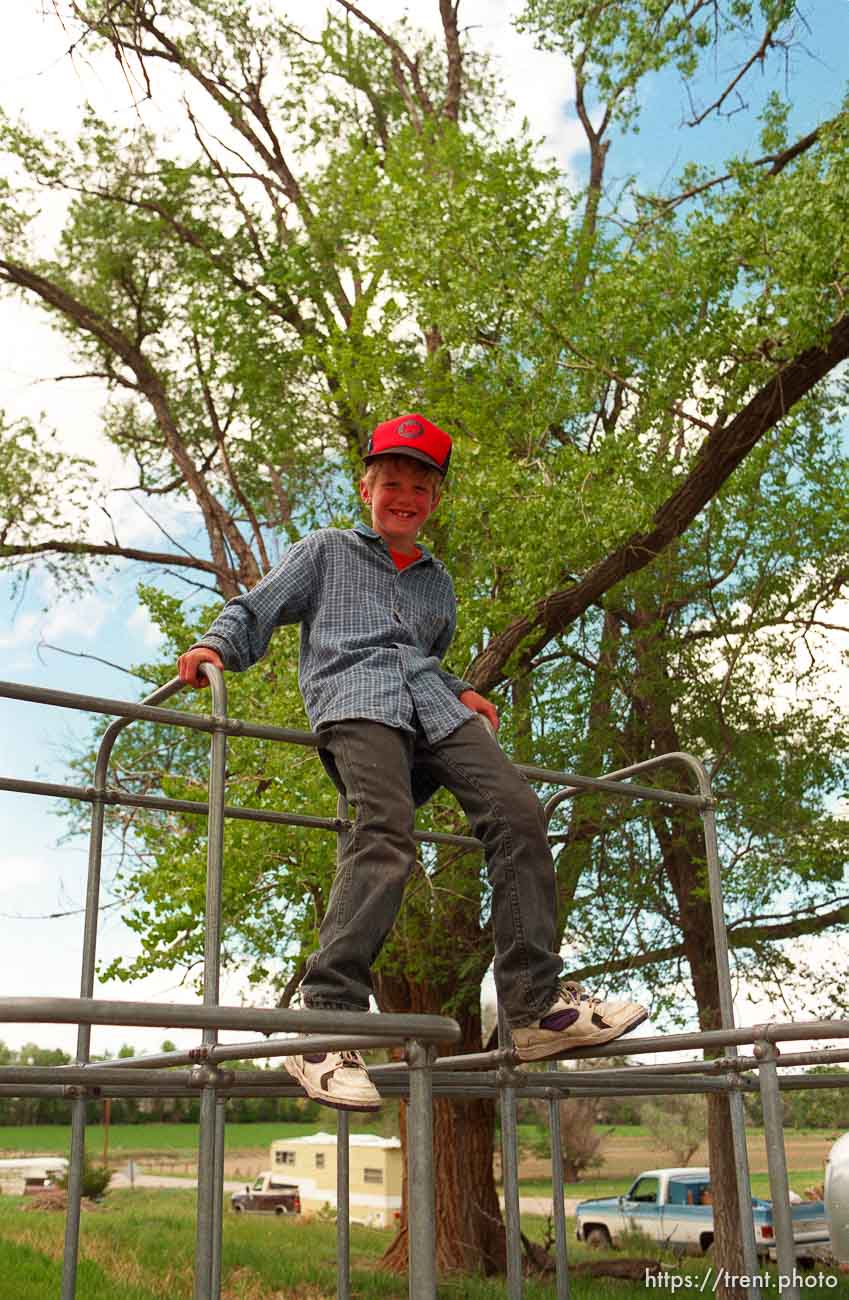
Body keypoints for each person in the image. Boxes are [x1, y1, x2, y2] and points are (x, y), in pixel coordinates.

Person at [178, 413, 647, 1111]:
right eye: (390, 483)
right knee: (387, 830)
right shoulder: (326, 550)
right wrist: (215, 647)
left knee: (519, 814)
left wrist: (461, 690)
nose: (404, 497)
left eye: (419, 489)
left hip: (434, 707)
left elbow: (425, 653)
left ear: (433, 500)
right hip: (356, 699)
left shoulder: (437, 582)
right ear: (368, 488)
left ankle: (532, 1011)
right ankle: (324, 1024)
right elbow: (257, 608)